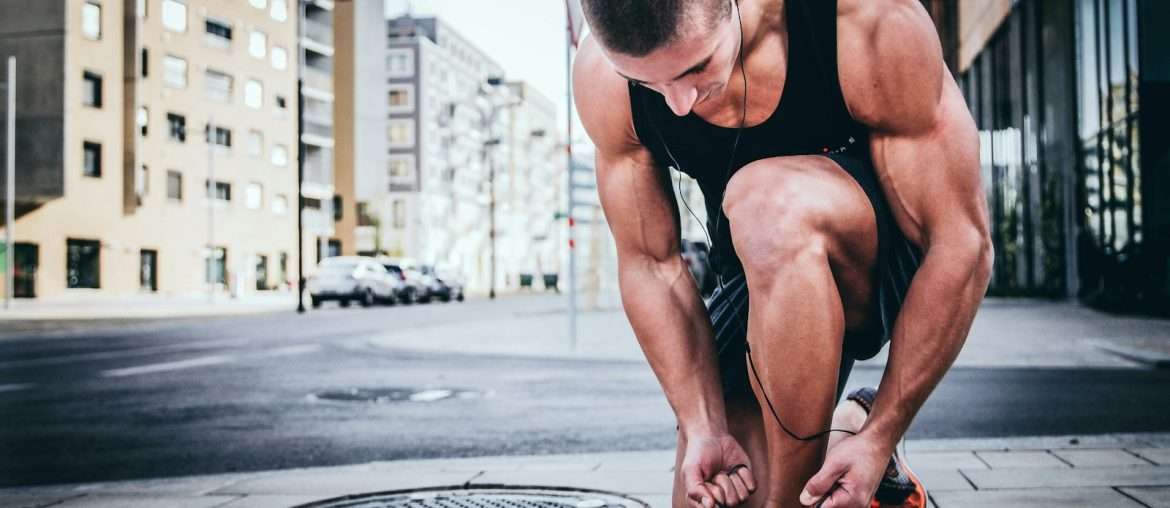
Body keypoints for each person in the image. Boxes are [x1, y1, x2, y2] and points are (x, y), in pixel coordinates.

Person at [571, 0, 993, 507]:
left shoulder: (865, 22)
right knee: (718, 490)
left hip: (878, 264)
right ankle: (844, 426)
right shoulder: (603, 76)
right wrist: (701, 424)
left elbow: (961, 243)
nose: (677, 103)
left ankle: (842, 449)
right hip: (753, 275)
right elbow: (650, 265)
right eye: (648, 84)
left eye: (695, 67)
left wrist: (882, 436)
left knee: (765, 200)